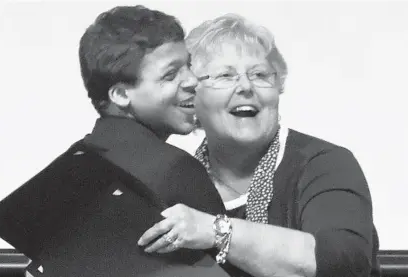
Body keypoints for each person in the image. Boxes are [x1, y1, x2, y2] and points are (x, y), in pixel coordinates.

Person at [0, 5, 230, 277]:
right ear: (120, 95)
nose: (192, 80)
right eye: (170, 74)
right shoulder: (177, 170)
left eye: (188, 65)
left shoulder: (72, 168)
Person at [138, 14, 380, 277]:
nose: (245, 86)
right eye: (225, 76)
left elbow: (343, 264)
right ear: (192, 95)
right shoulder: (174, 179)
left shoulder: (325, 164)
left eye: (260, 74)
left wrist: (216, 231)